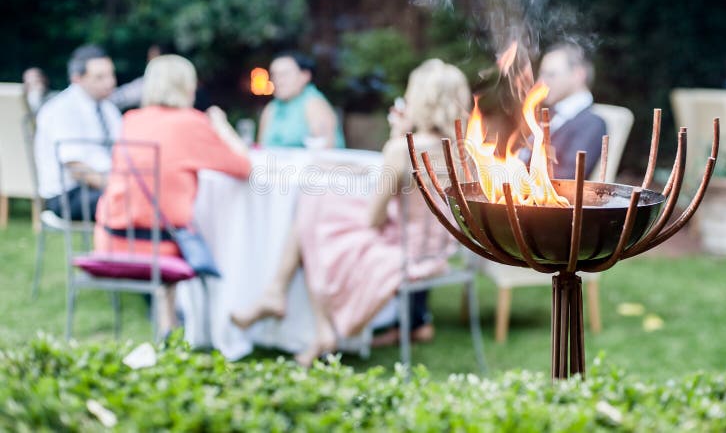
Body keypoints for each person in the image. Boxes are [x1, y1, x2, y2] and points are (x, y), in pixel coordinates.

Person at [232, 58, 470, 366]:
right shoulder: (463, 151)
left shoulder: (403, 149)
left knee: (314, 216)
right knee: (320, 207)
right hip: (436, 250)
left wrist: (398, 139)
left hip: (403, 251)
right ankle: (307, 318)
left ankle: (313, 321)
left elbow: (374, 217)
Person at [94, 54, 251, 333]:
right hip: (162, 246)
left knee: (165, 221)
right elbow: (243, 167)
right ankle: (205, 327)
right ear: (187, 86)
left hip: (111, 241)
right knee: (195, 231)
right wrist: (221, 126)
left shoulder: (131, 119)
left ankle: (168, 325)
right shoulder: (192, 123)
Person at [34, 44, 121, 220]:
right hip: (67, 195)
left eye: (111, 74)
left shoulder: (108, 109)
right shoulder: (62, 109)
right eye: (100, 77)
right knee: (130, 202)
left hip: (99, 187)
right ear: (77, 79)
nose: (110, 82)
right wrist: (117, 186)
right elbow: (76, 168)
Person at [518, 42, 606, 178]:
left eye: (551, 75)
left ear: (578, 75)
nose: (541, 82)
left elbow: (567, 178)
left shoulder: (592, 123)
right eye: (542, 75)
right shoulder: (551, 115)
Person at [258, 52, 345, 148]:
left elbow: (324, 147)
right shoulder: (272, 107)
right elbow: (261, 146)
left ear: (305, 76)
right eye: (274, 75)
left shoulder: (313, 103)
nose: (278, 80)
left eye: (284, 74)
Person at [109, 44, 165, 111]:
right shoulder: (144, 83)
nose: (149, 61)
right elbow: (123, 95)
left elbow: (122, 97)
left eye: (153, 57)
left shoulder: (148, 83)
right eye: (149, 58)